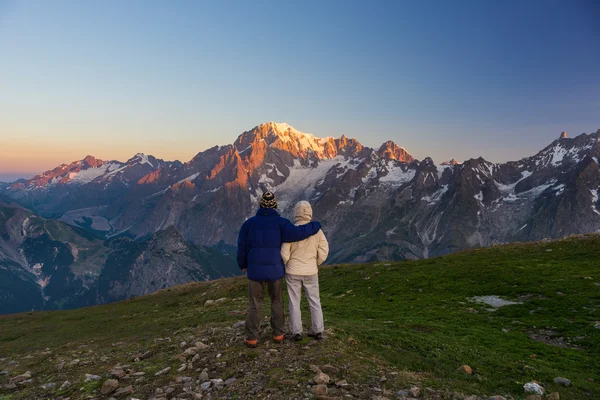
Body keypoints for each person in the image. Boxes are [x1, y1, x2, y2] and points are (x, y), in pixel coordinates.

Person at [237, 191, 322, 348]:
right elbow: (299, 233)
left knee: (255, 303)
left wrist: (243, 264)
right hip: (275, 270)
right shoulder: (281, 223)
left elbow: (241, 247)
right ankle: (278, 334)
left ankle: (251, 338)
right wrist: (316, 225)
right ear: (274, 205)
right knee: (276, 301)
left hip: (255, 272)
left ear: (260, 205)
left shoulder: (248, 224)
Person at [281, 201, 329, 341]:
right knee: (314, 300)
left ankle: (296, 332)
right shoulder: (317, 231)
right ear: (310, 212)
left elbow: (284, 253)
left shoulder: (290, 230)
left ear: (296, 213)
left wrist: (287, 263)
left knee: (294, 301)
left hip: (293, 271)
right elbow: (324, 251)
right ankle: (317, 330)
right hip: (311, 271)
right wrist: (316, 263)